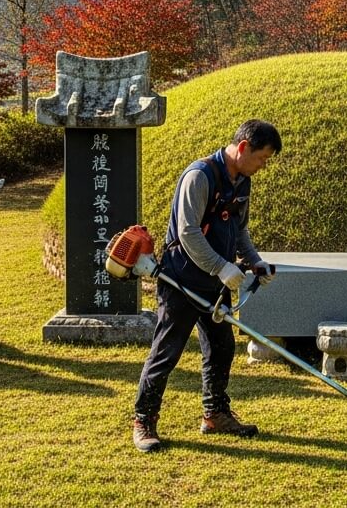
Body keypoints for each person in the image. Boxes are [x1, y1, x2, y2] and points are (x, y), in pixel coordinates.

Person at [132, 119, 282, 453]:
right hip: (182, 280)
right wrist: (221, 266)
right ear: (243, 147)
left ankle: (215, 414)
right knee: (166, 352)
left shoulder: (242, 181)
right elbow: (188, 232)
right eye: (262, 158)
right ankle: (144, 421)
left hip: (216, 283)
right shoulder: (199, 176)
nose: (263, 166)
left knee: (221, 347)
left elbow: (239, 230)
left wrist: (254, 262)